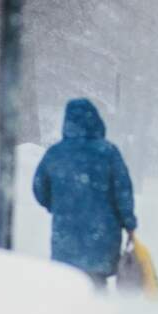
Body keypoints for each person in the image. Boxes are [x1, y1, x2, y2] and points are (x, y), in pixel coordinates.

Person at [33, 98, 137, 290]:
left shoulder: (55, 154)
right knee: (97, 284)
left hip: (66, 235)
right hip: (103, 234)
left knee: (67, 285)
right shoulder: (108, 152)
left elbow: (39, 189)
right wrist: (129, 223)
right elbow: (123, 191)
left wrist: (57, 206)